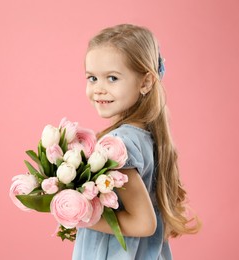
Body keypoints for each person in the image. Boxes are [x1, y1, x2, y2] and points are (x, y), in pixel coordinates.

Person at [72, 24, 201, 260]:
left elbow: (143, 223)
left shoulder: (119, 144)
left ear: (145, 82)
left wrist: (79, 215)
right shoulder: (146, 135)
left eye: (112, 78)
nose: (99, 89)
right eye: (92, 78)